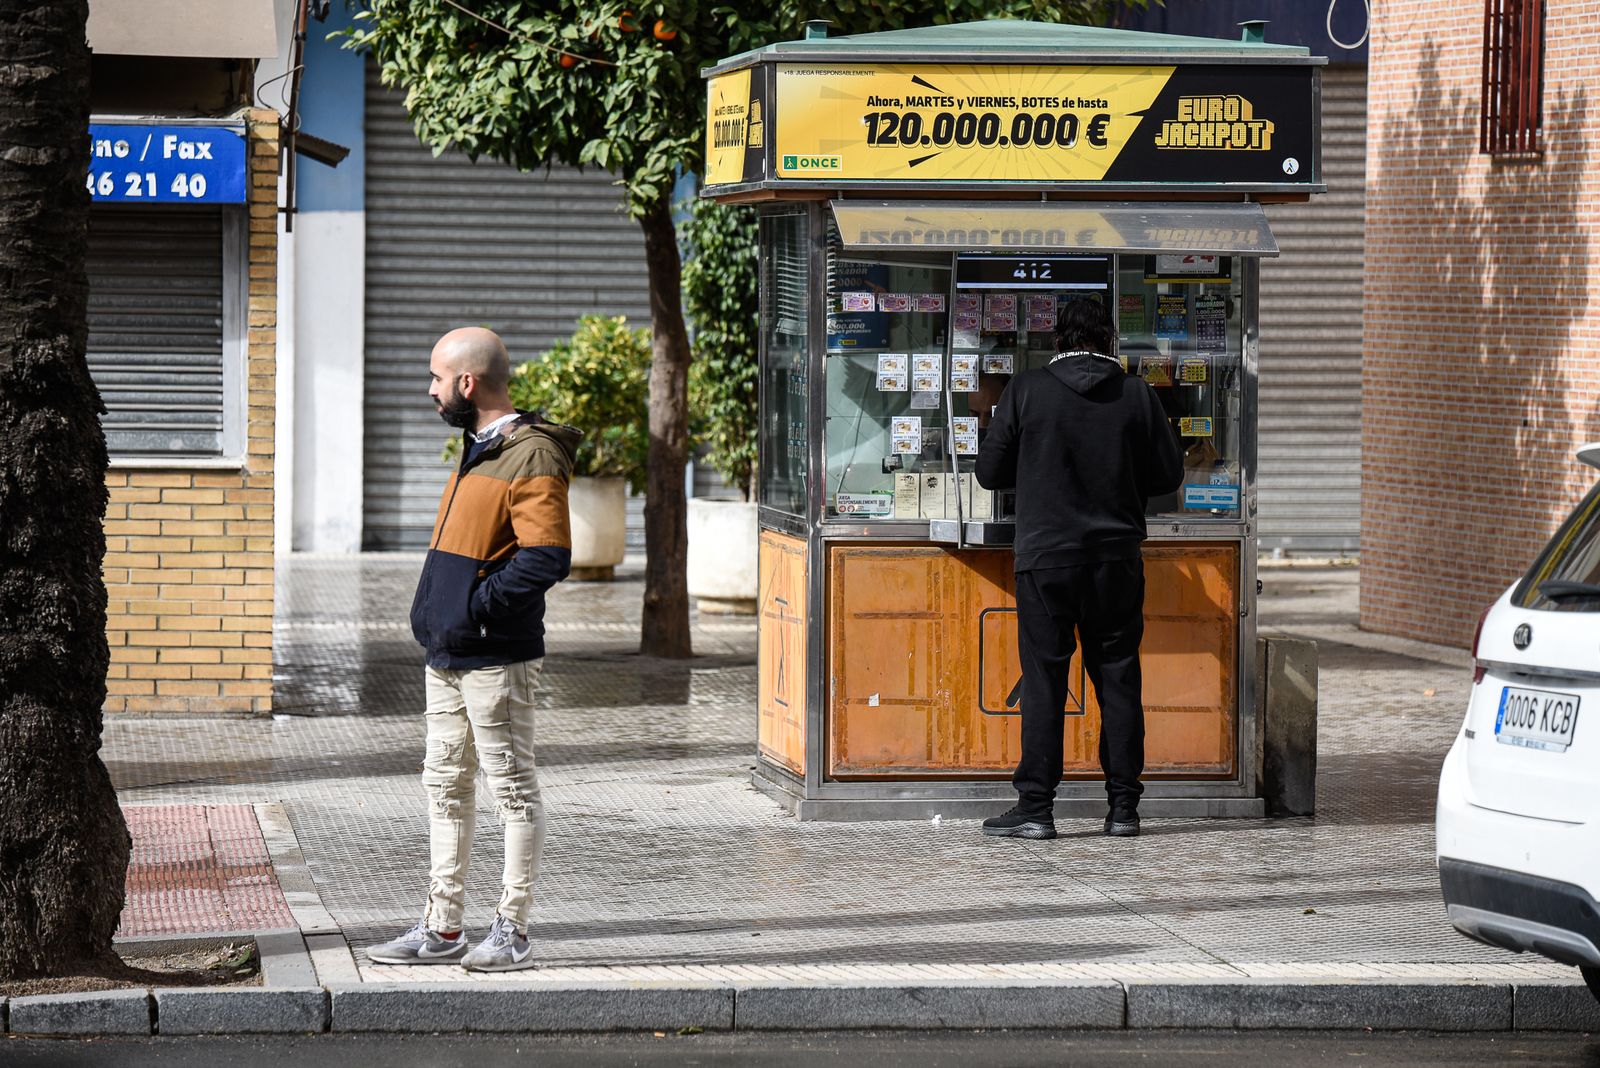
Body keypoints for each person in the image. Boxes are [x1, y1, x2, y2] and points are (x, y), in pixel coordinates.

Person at [369, 327, 580, 971]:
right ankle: (443, 927)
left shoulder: (530, 454)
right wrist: (445, 618)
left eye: (437, 378)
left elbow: (547, 557)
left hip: (495, 657)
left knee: (511, 790)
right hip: (448, 654)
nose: (430, 390)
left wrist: (478, 610)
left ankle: (512, 930)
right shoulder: (478, 449)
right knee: (445, 787)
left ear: (467, 383)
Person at [975, 299, 1182, 841]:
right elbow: (1167, 476)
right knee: (1118, 677)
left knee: (1045, 679)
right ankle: (1123, 809)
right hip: (1116, 559)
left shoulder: (1026, 390)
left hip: (1046, 560)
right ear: (1110, 339)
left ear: (1057, 339)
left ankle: (1037, 809)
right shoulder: (1137, 395)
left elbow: (989, 473)